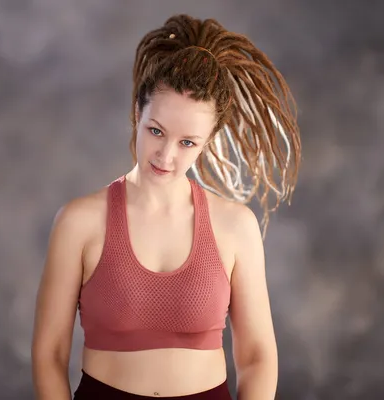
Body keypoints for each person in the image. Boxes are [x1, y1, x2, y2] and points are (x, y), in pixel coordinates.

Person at [31, 14, 301, 400]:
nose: (166, 155)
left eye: (188, 142)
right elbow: (49, 355)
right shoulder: (79, 223)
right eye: (156, 131)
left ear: (208, 141)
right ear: (136, 115)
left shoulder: (235, 226)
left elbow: (258, 357)